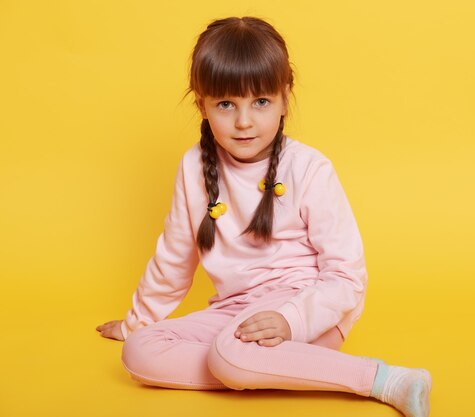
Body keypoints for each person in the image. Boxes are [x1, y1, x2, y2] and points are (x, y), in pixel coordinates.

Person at [95, 16, 432, 417]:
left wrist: (291, 320)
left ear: (284, 98)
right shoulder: (192, 168)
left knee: (229, 351)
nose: (243, 121)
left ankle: (384, 379)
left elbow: (346, 276)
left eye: (261, 102)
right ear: (200, 105)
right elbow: (173, 258)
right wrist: (137, 323)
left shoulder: (309, 168)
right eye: (225, 104)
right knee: (140, 351)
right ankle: (250, 365)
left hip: (308, 309)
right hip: (233, 310)